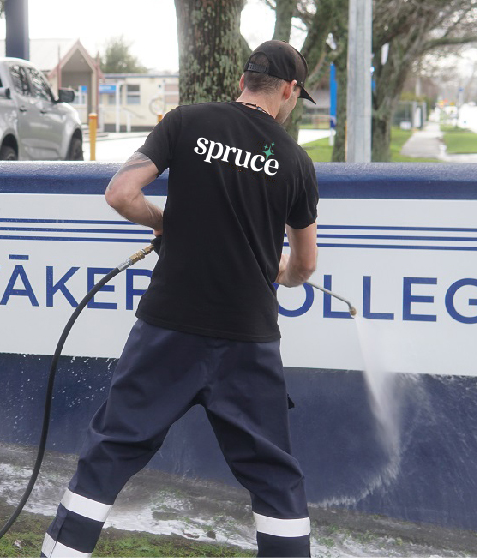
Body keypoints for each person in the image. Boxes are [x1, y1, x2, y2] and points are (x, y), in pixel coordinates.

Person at [41, 41, 320, 558]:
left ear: (243, 80)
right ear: (288, 90)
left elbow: (121, 193)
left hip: (168, 327)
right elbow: (304, 266)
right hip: (247, 340)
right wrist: (277, 268)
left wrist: (168, 222)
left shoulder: (186, 121)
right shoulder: (297, 163)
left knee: (111, 450)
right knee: (273, 477)